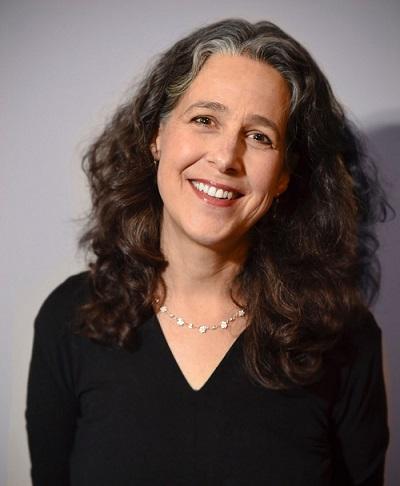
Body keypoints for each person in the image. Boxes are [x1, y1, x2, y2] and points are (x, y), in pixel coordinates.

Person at [25, 18, 391, 486]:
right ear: (156, 136)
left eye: (259, 136)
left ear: (283, 176)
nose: (225, 157)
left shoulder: (345, 338)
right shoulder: (70, 317)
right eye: (205, 120)